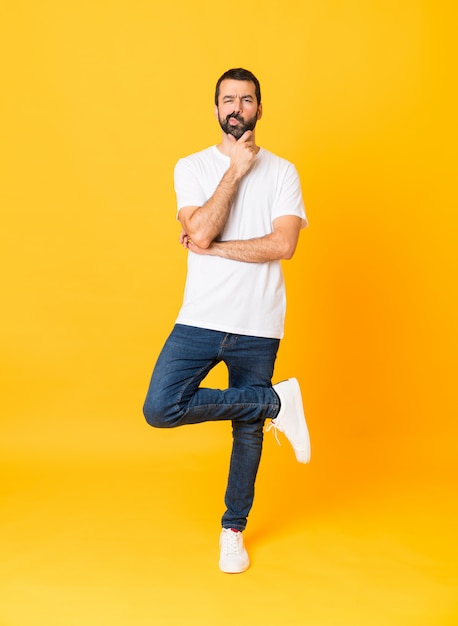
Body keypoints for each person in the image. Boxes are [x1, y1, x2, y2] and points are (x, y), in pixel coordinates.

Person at [143, 68, 310, 574]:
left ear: (261, 108)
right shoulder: (191, 167)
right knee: (161, 407)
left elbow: (283, 245)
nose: (236, 108)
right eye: (228, 100)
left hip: (259, 322)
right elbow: (203, 222)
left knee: (247, 432)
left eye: (246, 100)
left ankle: (232, 530)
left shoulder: (283, 172)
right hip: (200, 318)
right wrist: (234, 171)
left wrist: (211, 245)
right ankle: (277, 401)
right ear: (215, 109)